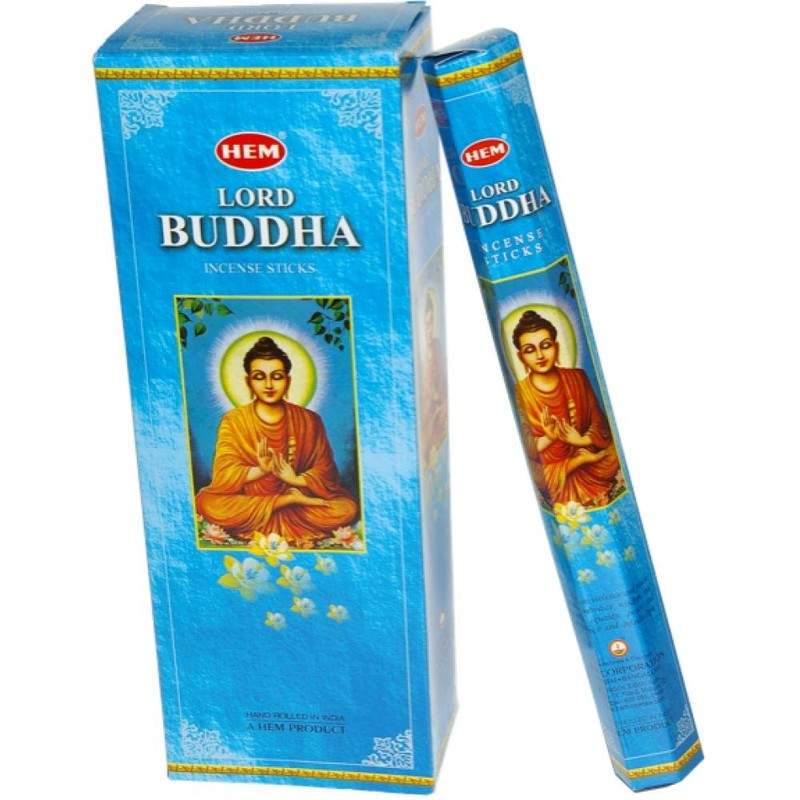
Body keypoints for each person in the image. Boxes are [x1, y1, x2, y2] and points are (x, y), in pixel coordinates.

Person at [196, 336, 358, 548]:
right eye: (259, 377)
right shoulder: (234, 420)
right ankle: (284, 501)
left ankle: (287, 502)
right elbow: (223, 475)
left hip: (300, 503)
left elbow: (326, 472)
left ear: (288, 381)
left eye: (277, 376)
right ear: (248, 382)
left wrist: (296, 480)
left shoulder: (310, 420)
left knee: (347, 508)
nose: (269, 385)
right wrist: (260, 470)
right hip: (252, 502)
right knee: (207, 503)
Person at [512, 309, 622, 508]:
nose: (539, 355)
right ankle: (576, 462)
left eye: (545, 346)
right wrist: (549, 437)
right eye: (529, 350)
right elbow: (528, 446)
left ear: (556, 346)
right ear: (520, 357)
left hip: (589, 458)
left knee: (614, 452)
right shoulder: (521, 391)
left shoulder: (577, 377)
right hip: (553, 469)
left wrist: (581, 440)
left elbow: (600, 423)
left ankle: (582, 460)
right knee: (538, 475)